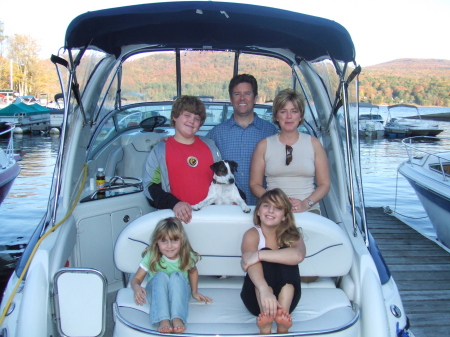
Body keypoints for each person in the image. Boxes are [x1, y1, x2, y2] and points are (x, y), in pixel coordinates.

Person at [249, 88, 330, 215]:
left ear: (300, 115)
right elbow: (255, 184)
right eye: (283, 111)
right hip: (273, 211)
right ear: (276, 116)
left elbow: (324, 184)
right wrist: (274, 200)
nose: (289, 117)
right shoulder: (263, 145)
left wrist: (305, 203)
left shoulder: (314, 144)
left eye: (294, 111)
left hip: (308, 210)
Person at [143, 95, 221, 223]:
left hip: (209, 219)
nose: (192, 121)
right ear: (175, 116)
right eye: (187, 115)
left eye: (197, 118)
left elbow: (221, 181)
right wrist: (174, 204)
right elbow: (150, 187)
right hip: (175, 221)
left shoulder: (211, 147)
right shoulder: (159, 150)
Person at [240, 188, 305, 334]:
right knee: (264, 255)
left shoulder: (293, 235)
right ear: (258, 211)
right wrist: (264, 290)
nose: (270, 210)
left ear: (284, 216)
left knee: (286, 258)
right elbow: (248, 263)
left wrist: (259, 255)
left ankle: (282, 320)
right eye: (266, 205)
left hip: (286, 302)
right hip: (257, 298)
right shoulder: (252, 234)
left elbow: (299, 255)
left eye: (277, 208)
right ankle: (265, 326)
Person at [131, 217, 212, 333]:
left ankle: (177, 318)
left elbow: (193, 272)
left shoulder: (187, 256)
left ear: (182, 240)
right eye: (163, 241)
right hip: (156, 292)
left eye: (174, 240)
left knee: (176, 276)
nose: (169, 246)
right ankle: (163, 319)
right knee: (160, 276)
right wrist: (136, 288)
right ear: (157, 242)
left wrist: (194, 292)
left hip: (180, 292)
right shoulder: (152, 256)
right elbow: (137, 279)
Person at [207, 74, 278, 206]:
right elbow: (196, 155)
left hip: (264, 208)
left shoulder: (271, 132)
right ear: (231, 99)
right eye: (237, 94)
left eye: (247, 93)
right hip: (227, 209)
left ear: (255, 98)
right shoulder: (216, 133)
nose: (242, 98)